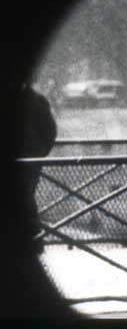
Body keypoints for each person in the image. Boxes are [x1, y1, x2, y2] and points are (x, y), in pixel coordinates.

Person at [15, 81, 57, 254]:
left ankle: (31, 242)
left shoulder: (36, 102)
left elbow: (49, 132)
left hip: (28, 158)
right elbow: (50, 132)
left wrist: (37, 153)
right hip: (30, 157)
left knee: (23, 198)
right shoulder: (37, 101)